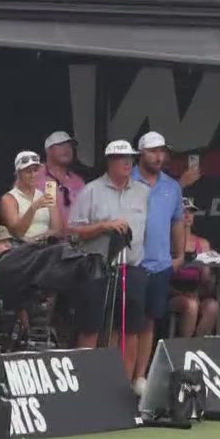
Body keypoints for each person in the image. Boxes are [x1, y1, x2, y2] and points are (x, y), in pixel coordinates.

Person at [66, 140, 150, 354]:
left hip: (132, 268)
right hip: (97, 267)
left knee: (131, 330)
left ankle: (126, 384)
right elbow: (73, 231)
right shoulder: (91, 191)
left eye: (130, 158)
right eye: (122, 158)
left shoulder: (143, 192)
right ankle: (87, 382)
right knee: (91, 327)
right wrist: (104, 226)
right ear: (110, 161)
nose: (128, 162)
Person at [131, 131, 187, 382]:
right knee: (128, 323)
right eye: (153, 151)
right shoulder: (127, 180)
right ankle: (123, 375)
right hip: (132, 263)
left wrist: (180, 255)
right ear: (140, 153)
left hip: (160, 263)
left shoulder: (172, 186)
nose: (158, 156)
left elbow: (177, 222)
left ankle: (140, 377)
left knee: (149, 322)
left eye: (161, 151)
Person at [173, 200, 220, 337]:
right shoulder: (166, 241)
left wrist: (211, 274)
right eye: (183, 212)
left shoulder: (202, 243)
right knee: (192, 305)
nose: (188, 215)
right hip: (172, 292)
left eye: (191, 212)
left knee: (212, 306)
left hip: (195, 291)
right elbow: (162, 277)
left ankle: (197, 348)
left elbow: (205, 279)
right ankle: (183, 349)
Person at [0, 150, 57, 241]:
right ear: (18, 173)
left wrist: (42, 239)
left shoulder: (45, 195)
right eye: (28, 171)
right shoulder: (9, 199)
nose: (33, 175)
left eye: (35, 170)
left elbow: (57, 228)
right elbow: (18, 233)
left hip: (46, 245)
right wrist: (33, 208)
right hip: (24, 248)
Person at [37, 130, 89, 231]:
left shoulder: (78, 182)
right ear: (48, 150)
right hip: (45, 241)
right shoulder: (35, 175)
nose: (67, 149)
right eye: (60, 145)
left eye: (69, 146)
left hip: (77, 240)